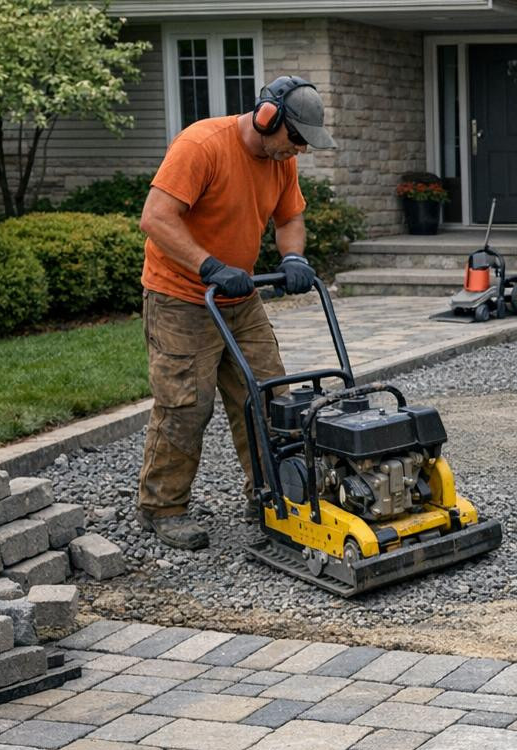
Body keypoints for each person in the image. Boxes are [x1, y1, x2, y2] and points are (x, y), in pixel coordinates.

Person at [135, 75, 336, 550]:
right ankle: (162, 507)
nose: (299, 152)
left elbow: (289, 217)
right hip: (181, 296)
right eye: (296, 139)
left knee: (270, 396)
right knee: (187, 405)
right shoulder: (202, 145)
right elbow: (155, 217)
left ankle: (269, 494)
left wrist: (293, 258)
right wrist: (208, 265)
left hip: (240, 298)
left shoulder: (279, 159)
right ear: (269, 119)